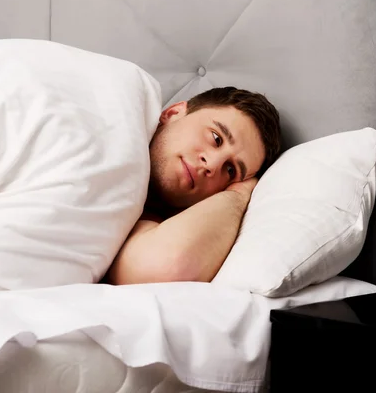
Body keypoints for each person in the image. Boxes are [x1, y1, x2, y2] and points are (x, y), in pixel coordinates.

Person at [107, 86, 282, 285]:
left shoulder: (149, 226)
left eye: (231, 170)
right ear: (173, 113)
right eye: (216, 138)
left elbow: (167, 266)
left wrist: (240, 194)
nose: (213, 165)